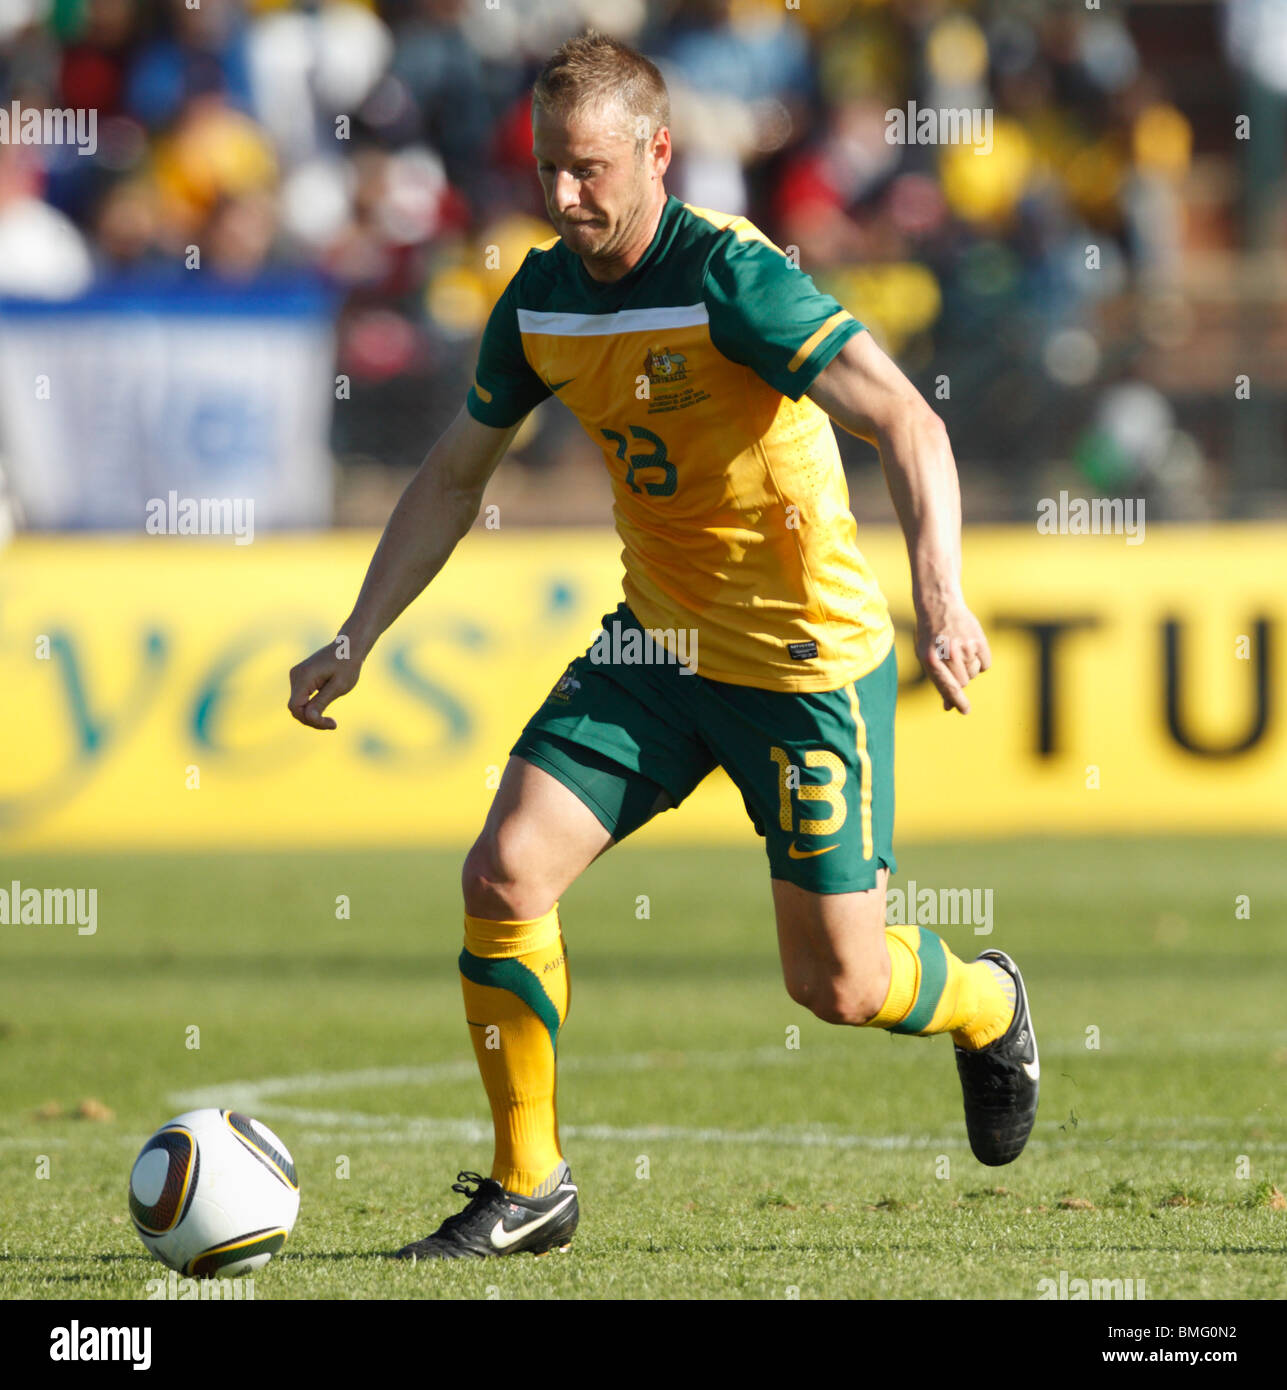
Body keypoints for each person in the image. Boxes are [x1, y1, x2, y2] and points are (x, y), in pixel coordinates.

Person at [287, 32, 1038, 1261]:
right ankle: (530, 1187)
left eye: (588, 169)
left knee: (839, 987)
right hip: (657, 653)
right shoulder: (535, 301)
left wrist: (943, 599)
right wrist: (357, 631)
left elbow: (908, 419)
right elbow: (451, 477)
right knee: (503, 874)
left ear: (658, 155)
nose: (565, 195)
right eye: (547, 170)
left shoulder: (731, 279)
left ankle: (987, 1000)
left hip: (803, 669)